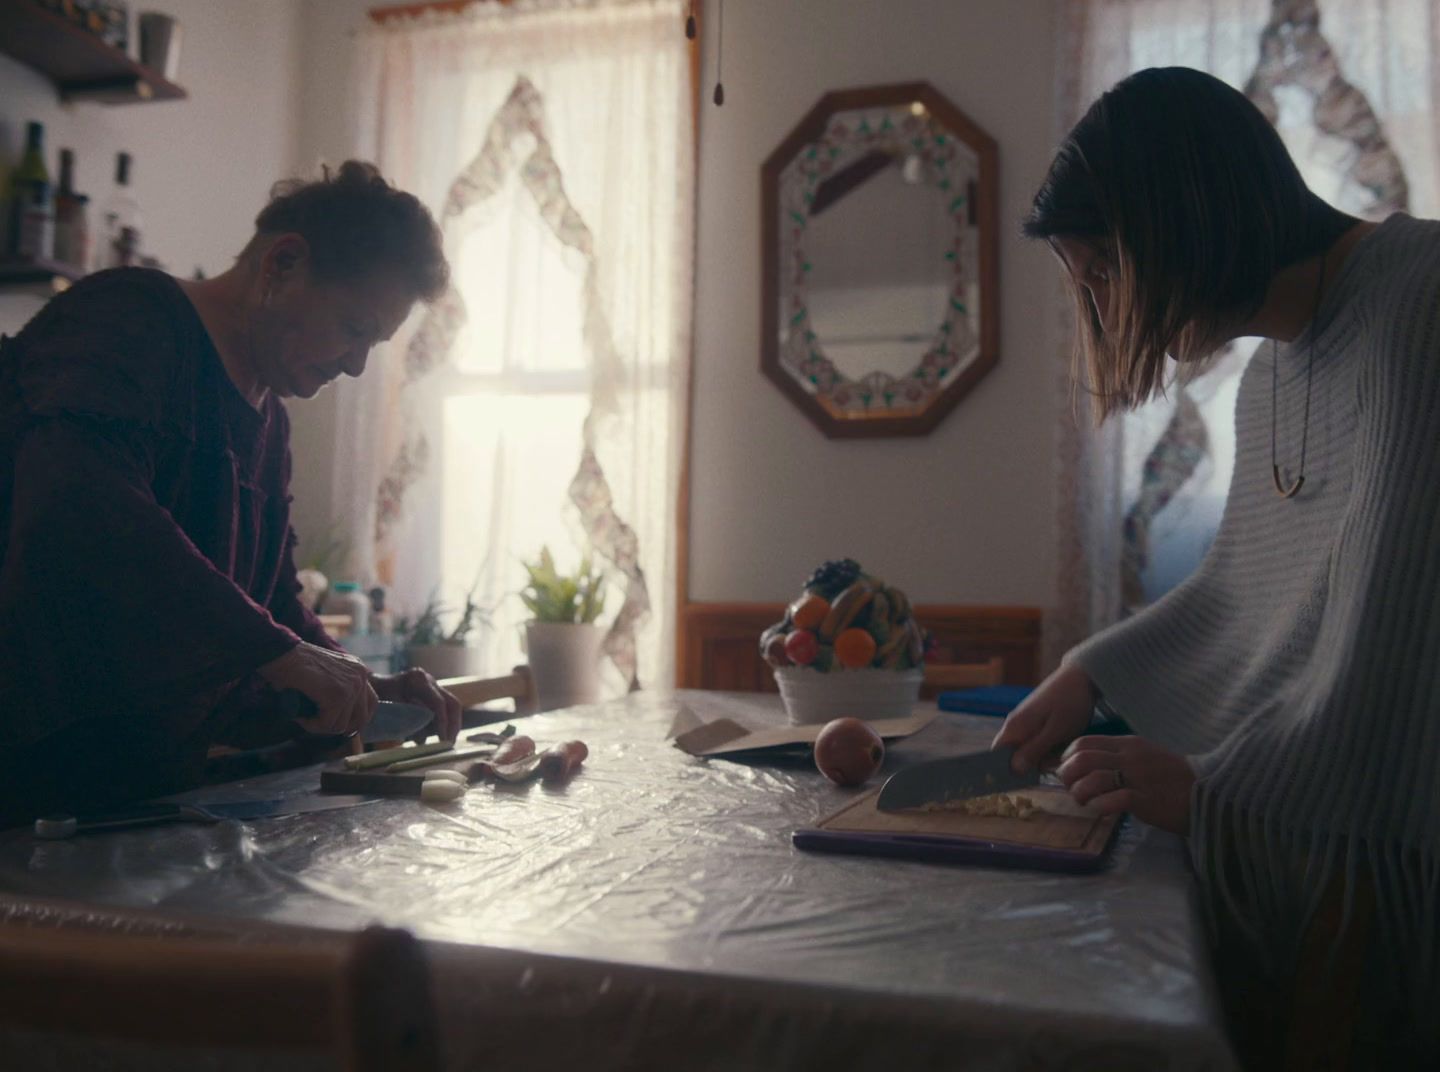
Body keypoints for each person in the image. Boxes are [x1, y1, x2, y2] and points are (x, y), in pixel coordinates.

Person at [999, 67, 1439, 1065]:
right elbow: (1245, 590)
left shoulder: (1422, 304)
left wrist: (1219, 795)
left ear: (1176, 224)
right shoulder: (1271, 372)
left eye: (1100, 275)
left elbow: (1396, 649)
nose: (1101, 314)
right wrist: (1093, 670)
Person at [0, 161, 462, 824]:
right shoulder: (127, 318)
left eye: (374, 343)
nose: (357, 364)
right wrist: (277, 652)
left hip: (137, 782)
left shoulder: (269, 419)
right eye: (353, 328)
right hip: (29, 770)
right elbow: (80, 506)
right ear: (282, 265)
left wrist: (361, 682)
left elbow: (269, 599)